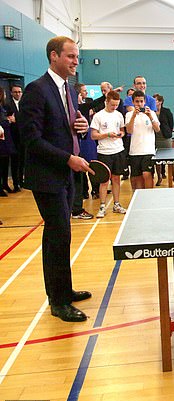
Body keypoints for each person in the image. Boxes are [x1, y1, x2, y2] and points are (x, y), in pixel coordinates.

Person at [19, 36, 94, 322]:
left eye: (77, 57)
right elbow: (31, 139)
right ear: (54, 56)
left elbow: (68, 128)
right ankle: (58, 301)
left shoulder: (70, 91)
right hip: (47, 175)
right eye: (71, 56)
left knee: (64, 235)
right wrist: (67, 158)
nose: (76, 61)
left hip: (66, 174)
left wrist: (81, 127)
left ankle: (65, 289)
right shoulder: (36, 90)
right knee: (57, 235)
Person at [90, 90, 127, 218]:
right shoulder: (98, 116)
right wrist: (107, 135)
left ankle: (116, 204)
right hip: (104, 152)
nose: (114, 107)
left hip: (118, 150)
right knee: (104, 180)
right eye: (112, 105)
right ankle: (102, 206)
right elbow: (93, 135)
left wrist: (121, 134)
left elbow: (122, 130)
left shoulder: (119, 115)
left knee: (116, 179)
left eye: (116, 105)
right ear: (106, 101)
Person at [125, 90, 160, 190]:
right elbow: (129, 130)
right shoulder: (129, 115)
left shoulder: (151, 113)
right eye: (137, 101)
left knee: (147, 174)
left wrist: (150, 117)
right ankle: (140, 200)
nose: (139, 104)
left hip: (148, 150)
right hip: (135, 151)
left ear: (144, 102)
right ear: (133, 102)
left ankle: (149, 196)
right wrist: (133, 116)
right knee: (138, 178)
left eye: (141, 101)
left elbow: (157, 129)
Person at [4, 84, 23, 192]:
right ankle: (16, 184)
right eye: (15, 92)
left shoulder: (23, 104)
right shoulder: (7, 105)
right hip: (12, 137)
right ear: (11, 93)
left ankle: (20, 180)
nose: (18, 94)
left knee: (21, 161)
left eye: (19, 92)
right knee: (15, 162)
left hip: (22, 137)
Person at [153, 94, 174, 186]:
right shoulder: (151, 112)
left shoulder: (166, 111)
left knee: (169, 158)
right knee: (157, 160)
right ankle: (159, 176)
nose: (154, 102)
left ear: (160, 102)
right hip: (155, 138)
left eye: (156, 100)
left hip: (165, 138)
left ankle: (173, 178)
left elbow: (171, 124)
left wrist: (168, 132)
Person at [0, 87, 17, 196]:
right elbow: (3, 121)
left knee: (5, 163)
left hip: (6, 138)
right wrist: (8, 120)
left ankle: (5, 184)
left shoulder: (2, 107)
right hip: (1, 139)